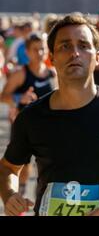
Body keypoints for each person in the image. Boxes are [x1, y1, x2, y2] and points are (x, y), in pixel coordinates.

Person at [0, 15, 99, 216]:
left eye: (83, 45)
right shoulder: (31, 117)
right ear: (51, 58)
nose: (75, 53)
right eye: (65, 46)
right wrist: (9, 194)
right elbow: (8, 167)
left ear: (97, 57)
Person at [0, 32, 56, 196]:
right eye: (35, 50)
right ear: (27, 52)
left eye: (43, 49)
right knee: (22, 165)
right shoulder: (21, 74)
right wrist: (19, 98)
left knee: (47, 166)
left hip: (49, 126)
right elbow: (3, 96)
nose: (39, 54)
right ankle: (20, 199)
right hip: (24, 128)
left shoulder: (53, 73)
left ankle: (44, 198)